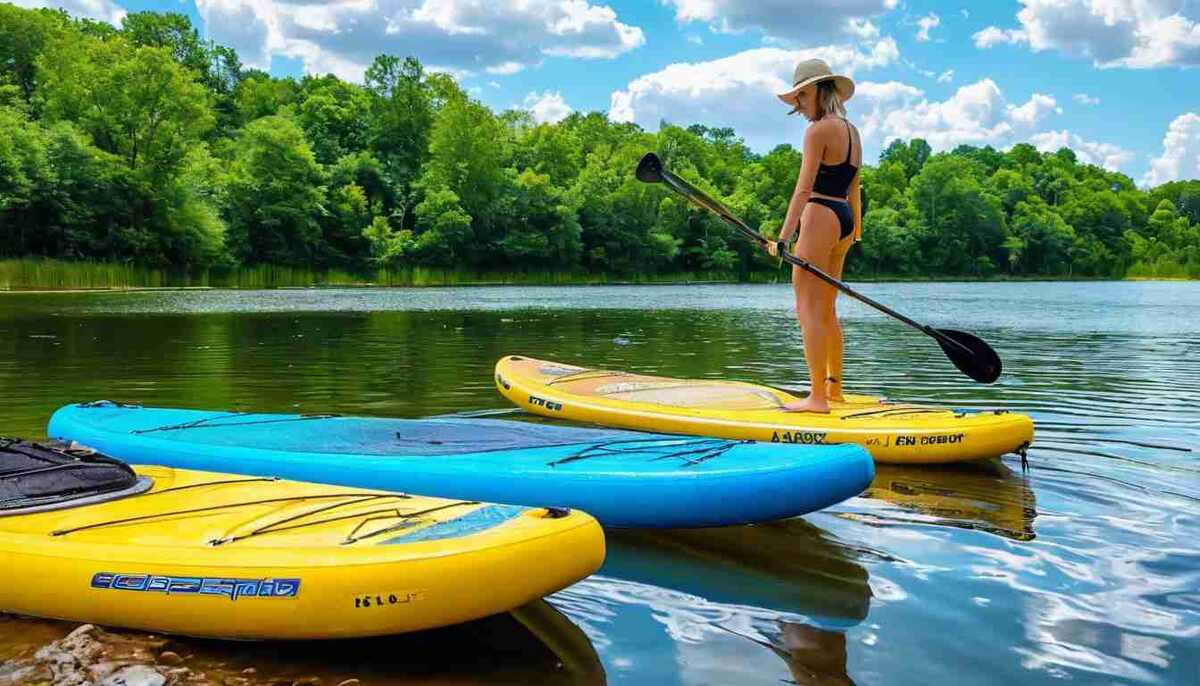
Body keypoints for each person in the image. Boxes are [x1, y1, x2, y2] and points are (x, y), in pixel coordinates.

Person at [766, 58, 862, 413]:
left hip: (820, 214)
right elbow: (854, 187)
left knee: (807, 309)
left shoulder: (818, 131)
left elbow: (803, 189)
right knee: (827, 310)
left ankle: (817, 398)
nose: (800, 108)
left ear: (818, 91)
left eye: (802, 98)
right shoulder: (853, 132)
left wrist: (782, 238)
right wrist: (855, 232)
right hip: (844, 220)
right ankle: (835, 391)